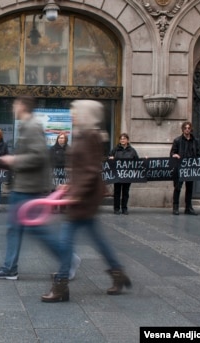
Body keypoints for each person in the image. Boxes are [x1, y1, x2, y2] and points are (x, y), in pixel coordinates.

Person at [42, 100, 130, 303]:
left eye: (76, 112)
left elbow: (91, 170)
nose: (72, 115)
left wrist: (77, 193)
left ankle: (61, 285)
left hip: (84, 199)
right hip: (81, 196)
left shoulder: (91, 136)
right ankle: (118, 273)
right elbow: (80, 168)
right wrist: (68, 185)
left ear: (86, 115)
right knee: (97, 240)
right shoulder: (82, 134)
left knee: (66, 241)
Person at [0, 96, 80, 281]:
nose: (13, 107)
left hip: (28, 188)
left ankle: (67, 258)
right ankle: (9, 268)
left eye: (15, 103)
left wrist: (13, 160)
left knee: (36, 229)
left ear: (22, 105)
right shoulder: (27, 125)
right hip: (24, 186)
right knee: (15, 227)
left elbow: (38, 156)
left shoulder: (31, 126)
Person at [170, 121, 200, 215]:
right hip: (180, 168)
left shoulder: (194, 140)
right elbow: (172, 152)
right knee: (177, 187)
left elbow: (198, 152)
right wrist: (175, 155)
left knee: (189, 188)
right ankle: (175, 207)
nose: (187, 130)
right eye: (185, 128)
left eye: (189, 128)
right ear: (182, 129)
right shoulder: (177, 140)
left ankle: (188, 207)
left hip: (191, 168)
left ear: (191, 129)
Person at [108, 133, 139, 215]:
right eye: (121, 139)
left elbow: (137, 161)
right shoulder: (115, 149)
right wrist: (110, 158)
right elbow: (109, 157)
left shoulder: (132, 150)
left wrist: (145, 160)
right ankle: (116, 208)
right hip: (117, 175)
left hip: (127, 175)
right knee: (117, 192)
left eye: (124, 139)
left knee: (125, 192)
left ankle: (124, 208)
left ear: (127, 140)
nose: (122, 140)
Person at [50, 133, 69, 213]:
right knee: (54, 189)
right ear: (57, 139)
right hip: (55, 171)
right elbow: (49, 160)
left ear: (65, 139)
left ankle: (62, 208)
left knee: (63, 190)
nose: (61, 139)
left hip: (64, 172)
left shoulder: (68, 149)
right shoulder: (52, 149)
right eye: (60, 138)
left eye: (63, 138)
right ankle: (53, 207)